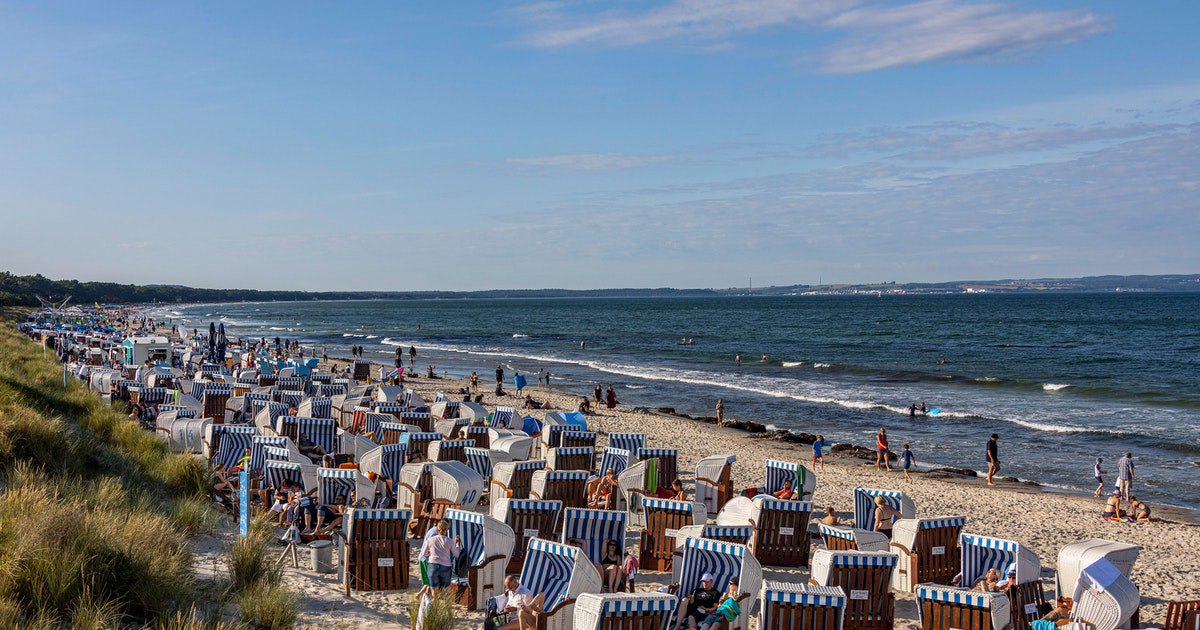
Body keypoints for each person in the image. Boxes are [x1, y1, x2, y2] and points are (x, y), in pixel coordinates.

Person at [418, 520, 460, 591]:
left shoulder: (431, 538)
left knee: (432, 587)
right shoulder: (449, 540)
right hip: (444, 565)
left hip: (432, 564)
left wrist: (432, 554)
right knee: (444, 589)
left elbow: (425, 552)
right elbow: (456, 554)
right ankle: (424, 595)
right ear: (446, 528)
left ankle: (428, 596)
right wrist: (457, 545)